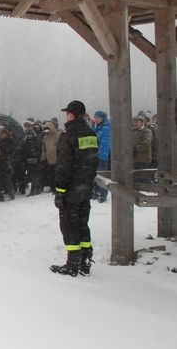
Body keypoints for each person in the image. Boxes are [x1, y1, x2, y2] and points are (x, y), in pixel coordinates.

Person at [50, 100, 99, 277]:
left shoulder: (68, 135)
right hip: (85, 187)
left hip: (71, 188)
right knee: (82, 223)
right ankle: (85, 259)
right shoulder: (91, 134)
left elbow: (64, 166)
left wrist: (60, 190)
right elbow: (94, 161)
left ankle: (72, 263)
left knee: (69, 225)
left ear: (71, 114)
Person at [91, 111, 111, 202]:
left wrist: (101, 155)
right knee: (95, 175)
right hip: (95, 155)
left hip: (102, 156)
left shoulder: (106, 128)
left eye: (97, 118)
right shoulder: (96, 127)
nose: (95, 119)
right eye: (95, 117)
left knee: (102, 176)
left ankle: (103, 194)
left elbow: (105, 144)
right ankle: (96, 192)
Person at [132, 114, 153, 184]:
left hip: (144, 158)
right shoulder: (133, 131)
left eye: (137, 122)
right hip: (134, 158)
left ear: (142, 122)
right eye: (135, 122)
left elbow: (146, 143)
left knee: (144, 176)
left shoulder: (147, 131)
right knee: (136, 177)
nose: (136, 123)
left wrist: (137, 149)